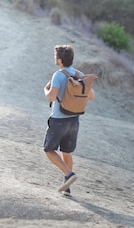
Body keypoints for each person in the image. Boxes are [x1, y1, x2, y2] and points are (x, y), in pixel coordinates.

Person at [43, 44, 97, 196]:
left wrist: (45, 89)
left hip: (58, 119)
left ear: (59, 60)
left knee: (49, 150)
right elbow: (91, 95)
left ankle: (68, 174)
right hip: (74, 120)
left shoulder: (58, 75)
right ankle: (67, 186)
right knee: (66, 152)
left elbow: (51, 97)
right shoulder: (78, 74)